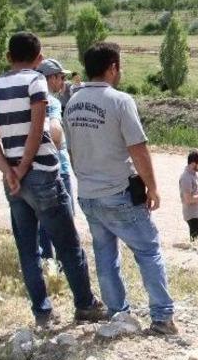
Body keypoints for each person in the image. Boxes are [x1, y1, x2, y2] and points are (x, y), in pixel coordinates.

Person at [0, 32, 105, 328]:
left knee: (28, 248)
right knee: (67, 244)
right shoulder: (36, 82)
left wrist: (9, 171)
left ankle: (42, 312)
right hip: (41, 174)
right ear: (39, 58)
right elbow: (38, 131)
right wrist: (24, 167)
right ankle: (85, 304)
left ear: (8, 56)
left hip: (13, 180)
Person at [65, 42, 177, 336]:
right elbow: (138, 149)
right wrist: (152, 187)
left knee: (105, 255)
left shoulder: (72, 103)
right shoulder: (120, 101)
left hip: (88, 193)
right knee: (148, 250)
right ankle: (162, 317)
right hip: (119, 192)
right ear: (113, 67)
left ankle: (118, 314)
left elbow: (72, 151)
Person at [35, 59, 74, 261]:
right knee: (65, 223)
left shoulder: (31, 99)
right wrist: (55, 148)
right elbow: (56, 132)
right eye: (61, 77)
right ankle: (64, 265)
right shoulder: (52, 102)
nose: (63, 82)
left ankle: (47, 264)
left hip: (37, 169)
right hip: (58, 169)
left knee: (43, 223)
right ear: (51, 78)